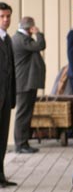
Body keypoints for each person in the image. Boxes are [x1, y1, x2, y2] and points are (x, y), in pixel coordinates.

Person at [12, 16, 46, 153]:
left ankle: (23, 143)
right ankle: (20, 144)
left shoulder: (22, 38)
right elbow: (41, 45)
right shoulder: (21, 39)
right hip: (24, 83)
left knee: (26, 113)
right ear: (29, 27)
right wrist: (38, 33)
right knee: (23, 114)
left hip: (27, 82)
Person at [0, 2, 17, 188]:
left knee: (3, 139)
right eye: (2, 16)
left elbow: (11, 71)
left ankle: (1, 176)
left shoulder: (8, 39)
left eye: (8, 16)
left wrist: (12, 97)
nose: (6, 19)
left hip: (5, 99)